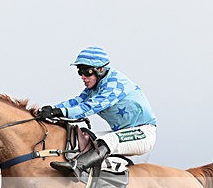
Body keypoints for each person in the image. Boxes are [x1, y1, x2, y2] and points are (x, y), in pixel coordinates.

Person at [38, 46, 157, 175]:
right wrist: (53, 109)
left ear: (100, 70)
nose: (83, 77)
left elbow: (90, 107)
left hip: (143, 133)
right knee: (85, 139)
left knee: (106, 142)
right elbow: (78, 101)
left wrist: (59, 112)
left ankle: (77, 168)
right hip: (121, 132)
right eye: (80, 72)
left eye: (87, 72)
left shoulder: (115, 84)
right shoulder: (95, 87)